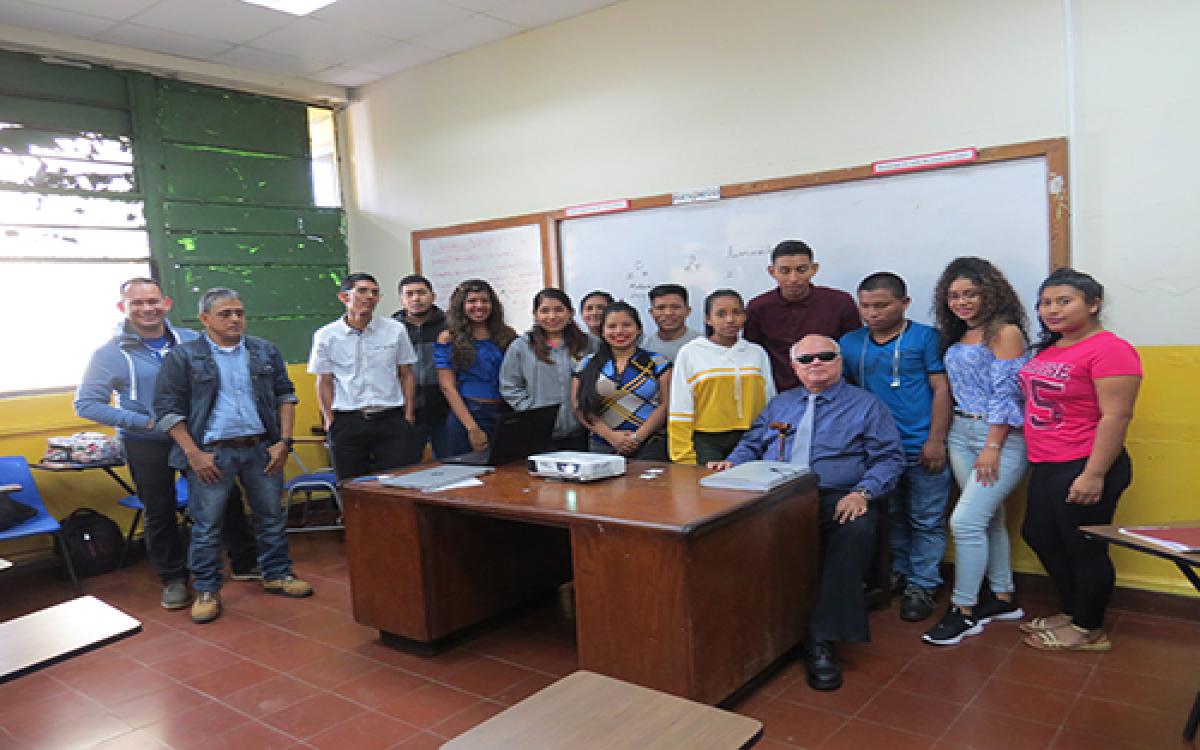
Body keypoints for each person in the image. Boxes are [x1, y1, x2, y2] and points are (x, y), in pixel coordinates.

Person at [710, 335, 904, 691]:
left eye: (825, 356)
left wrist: (863, 492)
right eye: (806, 359)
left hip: (836, 495)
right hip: (777, 493)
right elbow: (752, 442)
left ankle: (822, 639)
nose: (816, 363)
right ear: (795, 367)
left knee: (856, 529)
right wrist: (731, 463)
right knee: (721, 529)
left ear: (840, 362)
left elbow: (889, 458)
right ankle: (746, 629)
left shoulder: (866, 406)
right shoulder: (779, 404)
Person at [75, 278, 260, 612]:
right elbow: (86, 404)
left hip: (199, 440)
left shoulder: (193, 341)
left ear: (167, 303)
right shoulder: (108, 354)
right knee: (159, 510)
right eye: (137, 303)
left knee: (227, 498)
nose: (147, 309)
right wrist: (144, 422)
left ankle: (245, 562)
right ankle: (174, 579)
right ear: (124, 308)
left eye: (153, 301)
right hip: (147, 443)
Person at [154, 287, 312, 624]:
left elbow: (286, 395)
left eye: (239, 312)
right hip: (211, 454)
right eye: (225, 314)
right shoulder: (184, 357)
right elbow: (168, 411)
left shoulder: (263, 351)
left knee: (271, 517)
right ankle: (208, 589)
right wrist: (193, 453)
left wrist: (283, 441)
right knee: (207, 526)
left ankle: (277, 573)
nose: (235, 319)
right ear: (205, 319)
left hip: (261, 449)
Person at [1018, 269, 1141, 652]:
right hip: (1048, 461)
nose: (1051, 310)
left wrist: (1094, 474)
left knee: (1084, 546)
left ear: (1093, 303)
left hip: (1084, 461)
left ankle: (1089, 628)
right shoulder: (1053, 348)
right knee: (1039, 534)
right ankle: (1073, 610)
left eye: (1063, 301)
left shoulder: (1110, 348)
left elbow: (1116, 415)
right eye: (1045, 302)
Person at [923, 257, 1030, 646]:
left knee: (965, 522)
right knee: (989, 518)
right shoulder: (956, 333)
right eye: (954, 295)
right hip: (959, 430)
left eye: (970, 293)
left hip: (999, 437)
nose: (962, 302)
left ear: (991, 291)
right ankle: (1002, 596)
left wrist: (992, 445)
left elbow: (1008, 395)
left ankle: (963, 609)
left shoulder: (1005, 333)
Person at [839, 272, 951, 622]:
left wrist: (936, 439)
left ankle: (924, 584)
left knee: (927, 518)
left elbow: (942, 390)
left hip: (920, 445)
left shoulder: (925, 338)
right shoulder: (850, 342)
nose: (872, 313)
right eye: (866, 306)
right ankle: (899, 572)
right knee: (893, 516)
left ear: (904, 303)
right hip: (876, 450)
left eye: (882, 305)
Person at [309, 273, 419, 479]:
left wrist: (408, 414)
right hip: (348, 420)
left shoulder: (395, 330)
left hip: (390, 418)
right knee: (351, 486)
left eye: (375, 293)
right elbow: (324, 382)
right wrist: (329, 421)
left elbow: (406, 373)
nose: (369, 297)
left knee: (401, 481)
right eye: (362, 291)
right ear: (344, 297)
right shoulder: (326, 335)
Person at [668, 289, 775, 464]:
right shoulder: (691, 352)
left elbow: (769, 399)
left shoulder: (756, 353)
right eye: (721, 314)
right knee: (711, 488)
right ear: (708, 319)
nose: (730, 320)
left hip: (751, 438)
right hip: (707, 440)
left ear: (745, 316)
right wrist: (682, 454)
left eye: (737, 313)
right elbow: (681, 405)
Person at [744, 240, 861, 392]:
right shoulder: (758, 307)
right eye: (785, 271)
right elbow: (754, 355)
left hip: (832, 391)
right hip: (780, 394)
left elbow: (853, 351)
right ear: (772, 272)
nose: (793, 278)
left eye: (801, 270)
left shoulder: (840, 302)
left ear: (814, 269)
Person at [572, 301, 672, 460]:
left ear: (638, 329)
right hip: (602, 444)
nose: (619, 331)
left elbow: (665, 404)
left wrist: (637, 438)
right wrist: (610, 436)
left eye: (627, 325)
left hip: (651, 444)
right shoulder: (586, 364)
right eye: (611, 326)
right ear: (602, 331)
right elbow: (579, 406)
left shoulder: (658, 362)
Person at [500, 289, 597, 451]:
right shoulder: (521, 346)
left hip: (583, 432)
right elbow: (510, 386)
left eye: (559, 309)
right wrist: (532, 411)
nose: (552, 316)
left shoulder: (590, 344)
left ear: (570, 313)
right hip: (539, 434)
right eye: (545, 310)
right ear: (535, 315)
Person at [436, 279, 518, 455]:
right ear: (461, 306)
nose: (479, 306)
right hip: (469, 413)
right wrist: (472, 428)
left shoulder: (507, 334)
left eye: (485, 301)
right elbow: (447, 386)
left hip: (503, 414)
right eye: (472, 301)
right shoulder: (448, 337)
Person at [392, 274, 453, 460]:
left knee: (452, 465)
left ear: (433, 296)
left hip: (446, 409)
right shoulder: (392, 329)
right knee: (406, 467)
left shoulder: (450, 325)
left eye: (421, 293)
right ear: (402, 300)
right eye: (409, 294)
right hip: (406, 411)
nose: (416, 298)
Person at [642, 283, 701, 362]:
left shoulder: (704, 344)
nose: (668, 313)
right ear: (651, 313)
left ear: (688, 311)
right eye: (661, 308)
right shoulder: (644, 348)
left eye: (675, 307)